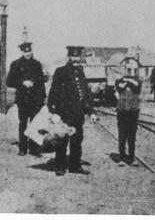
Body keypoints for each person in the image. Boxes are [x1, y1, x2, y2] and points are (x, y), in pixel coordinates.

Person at [48, 46, 98, 176]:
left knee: (77, 141)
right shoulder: (61, 72)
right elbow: (53, 93)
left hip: (78, 114)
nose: (75, 59)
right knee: (62, 141)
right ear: (68, 57)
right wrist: (53, 111)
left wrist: (91, 111)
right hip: (64, 113)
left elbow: (85, 94)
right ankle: (59, 166)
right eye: (73, 56)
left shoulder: (80, 72)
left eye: (77, 56)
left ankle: (75, 166)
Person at [6, 42, 46, 157]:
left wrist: (43, 98)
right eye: (25, 51)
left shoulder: (37, 64)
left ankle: (34, 148)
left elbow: (41, 82)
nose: (27, 53)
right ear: (22, 52)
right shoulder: (16, 64)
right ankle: (22, 148)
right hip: (22, 99)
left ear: (31, 51)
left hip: (35, 100)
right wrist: (22, 82)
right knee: (23, 123)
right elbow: (9, 82)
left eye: (29, 51)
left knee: (34, 124)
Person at [114, 75, 141, 167]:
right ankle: (121, 157)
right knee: (122, 136)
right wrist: (125, 81)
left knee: (132, 137)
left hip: (133, 112)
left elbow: (137, 84)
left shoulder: (136, 84)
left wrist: (128, 80)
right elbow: (120, 86)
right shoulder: (119, 82)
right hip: (122, 112)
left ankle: (131, 158)